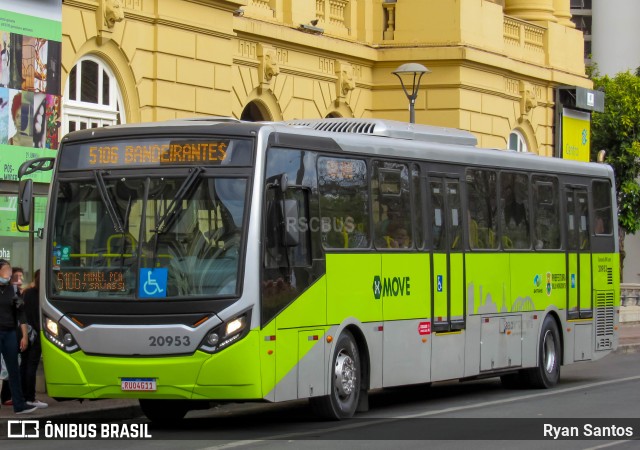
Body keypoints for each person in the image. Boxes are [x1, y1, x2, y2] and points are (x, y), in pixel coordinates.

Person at [0, 259, 37, 414]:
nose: (9, 273)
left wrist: (24, 335)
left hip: (9, 333)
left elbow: (21, 312)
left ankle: (19, 405)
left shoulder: (12, 290)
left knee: (13, 369)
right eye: (6, 269)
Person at [20, 270, 47, 409]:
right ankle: (30, 397)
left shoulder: (27, 293)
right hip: (36, 334)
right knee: (32, 365)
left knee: (24, 364)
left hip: (26, 333)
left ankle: (23, 395)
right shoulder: (42, 295)